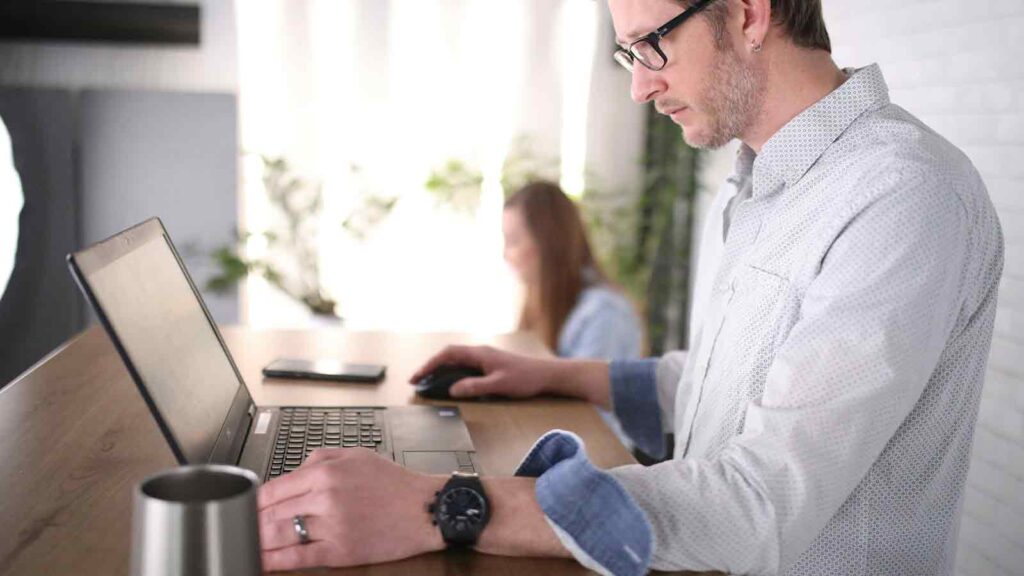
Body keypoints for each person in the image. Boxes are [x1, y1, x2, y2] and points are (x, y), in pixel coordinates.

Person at [256, 0, 1004, 574]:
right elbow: (726, 388)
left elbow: (761, 495)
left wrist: (442, 506)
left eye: (654, 45)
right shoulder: (753, 186)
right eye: (628, 54)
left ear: (747, 13)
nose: (642, 86)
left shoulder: (902, 195)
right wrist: (553, 373)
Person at [502, 181, 642, 363]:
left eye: (513, 241)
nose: (505, 254)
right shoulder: (545, 306)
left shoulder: (603, 313)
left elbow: (586, 389)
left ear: (546, 243)